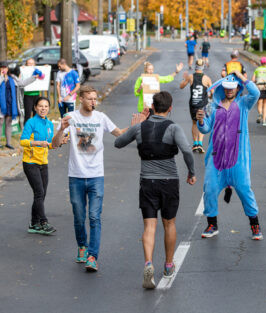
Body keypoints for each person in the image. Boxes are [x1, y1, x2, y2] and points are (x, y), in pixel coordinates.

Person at [114, 91, 196, 289]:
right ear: (170, 108)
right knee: (169, 224)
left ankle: (148, 263)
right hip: (169, 182)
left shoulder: (140, 127)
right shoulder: (173, 128)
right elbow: (186, 150)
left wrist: (135, 126)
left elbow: (118, 143)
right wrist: (191, 172)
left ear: (151, 106)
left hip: (147, 181)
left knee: (149, 226)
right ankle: (168, 265)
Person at [52, 85, 128, 272]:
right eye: (90, 98)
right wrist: (61, 130)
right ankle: (82, 246)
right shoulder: (70, 118)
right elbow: (54, 145)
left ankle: (93, 256)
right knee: (79, 216)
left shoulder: (101, 118)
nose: (94, 102)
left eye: (95, 98)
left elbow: (120, 133)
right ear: (81, 100)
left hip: (96, 176)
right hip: (76, 175)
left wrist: (138, 124)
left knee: (94, 216)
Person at [196, 72, 263, 240]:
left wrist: (243, 78)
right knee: (209, 189)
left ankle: (255, 225)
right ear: (222, 88)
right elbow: (205, 129)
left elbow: (256, 93)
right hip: (216, 159)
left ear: (238, 88)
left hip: (238, 160)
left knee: (244, 189)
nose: (229, 91)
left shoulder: (243, 103)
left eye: (233, 88)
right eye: (227, 88)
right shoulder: (212, 106)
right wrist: (201, 121)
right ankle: (212, 224)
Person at [20, 97, 59, 235]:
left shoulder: (49, 124)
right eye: (40, 106)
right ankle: (43, 222)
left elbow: (49, 144)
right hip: (30, 163)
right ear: (35, 107)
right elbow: (23, 141)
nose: (43, 109)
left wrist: (59, 142)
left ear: (49, 108)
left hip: (43, 163)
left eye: (46, 106)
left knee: (41, 195)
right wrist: (36, 143)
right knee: (39, 193)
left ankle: (33, 223)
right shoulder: (31, 122)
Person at [0, 61, 38, 149]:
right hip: (1, 105)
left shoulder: (12, 77)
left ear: (8, 69)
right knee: (0, 123)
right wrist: (2, 77)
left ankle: (8, 143)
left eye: (5, 68)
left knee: (8, 123)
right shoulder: (1, 77)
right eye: (2, 68)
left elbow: (22, 83)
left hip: (10, 104)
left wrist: (33, 77)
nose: (4, 69)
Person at [179, 59, 212, 153]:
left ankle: (195, 144)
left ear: (195, 66)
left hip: (193, 104)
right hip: (203, 104)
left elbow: (181, 86)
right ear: (203, 67)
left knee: (194, 123)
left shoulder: (190, 77)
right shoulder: (207, 78)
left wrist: (184, 79)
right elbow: (213, 92)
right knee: (202, 122)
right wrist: (209, 95)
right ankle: (200, 144)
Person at [23, 59, 46, 124]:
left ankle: (36, 127)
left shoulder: (37, 71)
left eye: (32, 63)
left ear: (35, 64)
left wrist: (45, 67)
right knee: (27, 113)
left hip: (36, 94)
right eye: (29, 63)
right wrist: (22, 69)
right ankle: (27, 129)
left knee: (36, 112)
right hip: (27, 95)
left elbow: (43, 76)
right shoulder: (24, 70)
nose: (31, 65)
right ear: (26, 64)